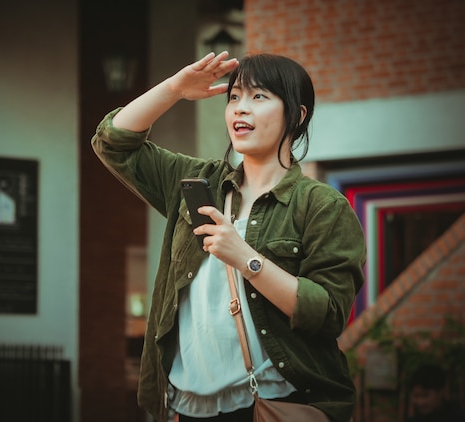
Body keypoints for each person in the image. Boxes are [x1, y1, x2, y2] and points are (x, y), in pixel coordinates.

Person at [91, 52, 366, 422]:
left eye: (258, 97)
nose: (240, 109)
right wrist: (174, 89)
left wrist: (247, 259)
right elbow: (113, 142)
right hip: (185, 408)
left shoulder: (320, 206)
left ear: (297, 116)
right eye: (234, 97)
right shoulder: (197, 182)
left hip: (268, 404)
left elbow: (329, 312)